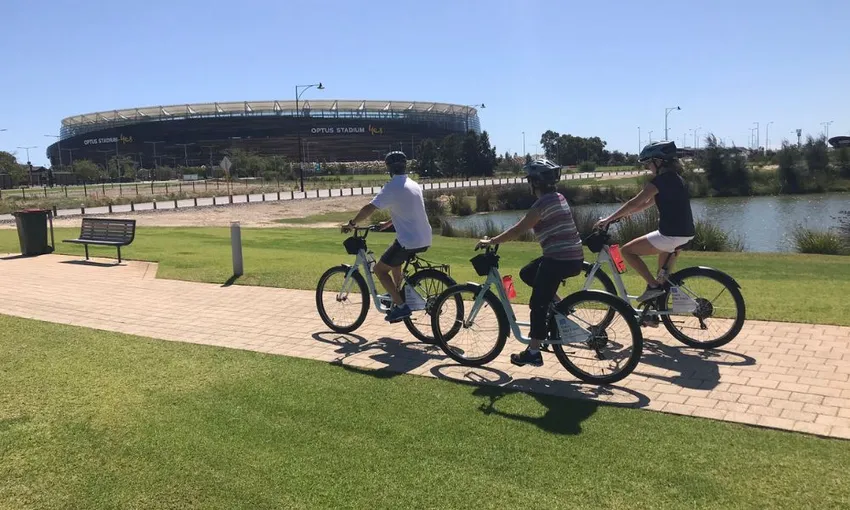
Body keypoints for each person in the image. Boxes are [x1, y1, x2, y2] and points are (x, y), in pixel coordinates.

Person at [476, 158, 584, 367]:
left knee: (537, 304)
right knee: (528, 273)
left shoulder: (542, 204)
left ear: (534, 182)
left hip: (558, 260)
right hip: (573, 257)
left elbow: (518, 229)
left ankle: (533, 352)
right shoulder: (559, 197)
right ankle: (560, 307)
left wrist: (492, 241)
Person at [594, 140, 695, 302]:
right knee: (662, 278)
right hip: (685, 234)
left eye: (649, 163)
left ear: (659, 161)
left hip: (670, 235)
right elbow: (646, 204)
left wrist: (608, 219)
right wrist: (622, 215)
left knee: (627, 251)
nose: (648, 167)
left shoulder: (659, 181)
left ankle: (653, 286)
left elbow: (635, 202)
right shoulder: (676, 179)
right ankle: (654, 312)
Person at [344, 151, 432, 323]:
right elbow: (407, 209)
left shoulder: (392, 187)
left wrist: (352, 223)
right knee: (395, 260)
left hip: (409, 240)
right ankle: (396, 293)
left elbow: (370, 208)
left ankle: (401, 306)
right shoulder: (413, 184)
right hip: (424, 237)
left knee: (379, 270)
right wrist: (389, 223)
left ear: (389, 169)